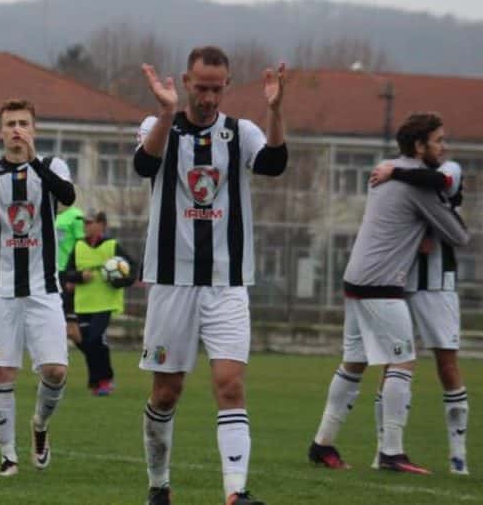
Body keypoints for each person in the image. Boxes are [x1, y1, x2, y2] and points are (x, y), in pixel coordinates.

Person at [135, 48, 287, 505]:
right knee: (167, 392)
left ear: (227, 86)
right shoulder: (156, 125)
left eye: (216, 89)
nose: (208, 97)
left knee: (230, 384)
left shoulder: (242, 132)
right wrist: (166, 113)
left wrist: (276, 111)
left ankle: (235, 493)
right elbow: (144, 165)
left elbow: (274, 164)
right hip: (171, 281)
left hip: (227, 281)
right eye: (201, 87)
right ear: (186, 81)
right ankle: (159, 484)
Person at [308, 112, 469, 475]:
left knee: (354, 362)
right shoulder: (416, 184)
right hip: (380, 283)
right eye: (438, 141)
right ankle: (392, 453)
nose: (443, 147)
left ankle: (322, 443)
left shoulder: (386, 171)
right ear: (419, 146)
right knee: (403, 360)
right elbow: (458, 235)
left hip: (356, 277)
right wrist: (438, 221)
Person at [0, 99, 76, 477]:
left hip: (43, 288)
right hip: (0, 289)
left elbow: (67, 197)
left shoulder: (52, 165)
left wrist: (33, 160)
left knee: (55, 371)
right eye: (10, 124)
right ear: (0, 132)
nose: (17, 130)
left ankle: (39, 424)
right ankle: (8, 457)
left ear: (34, 130)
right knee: (3, 373)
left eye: (24, 123)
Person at [365, 157, 470, 474]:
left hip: (438, 286)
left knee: (447, 366)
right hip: (398, 282)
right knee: (392, 364)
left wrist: (395, 172)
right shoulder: (392, 174)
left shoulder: (447, 168)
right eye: (437, 139)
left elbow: (441, 183)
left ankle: (458, 458)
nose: (441, 145)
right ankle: (385, 449)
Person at [61, 210, 136, 396]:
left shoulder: (112, 246)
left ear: (101, 225)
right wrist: (79, 276)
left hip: (105, 304)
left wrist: (117, 281)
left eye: (90, 222)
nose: (86, 226)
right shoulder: (78, 246)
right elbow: (66, 274)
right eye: (84, 223)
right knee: (88, 343)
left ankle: (103, 380)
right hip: (83, 304)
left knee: (94, 340)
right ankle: (99, 381)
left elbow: (133, 269)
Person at [55, 204, 85, 346]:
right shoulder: (51, 213)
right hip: (52, 272)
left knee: (70, 326)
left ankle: (91, 352)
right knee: (56, 320)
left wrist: (74, 276)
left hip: (66, 272)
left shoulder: (76, 216)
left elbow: (81, 246)